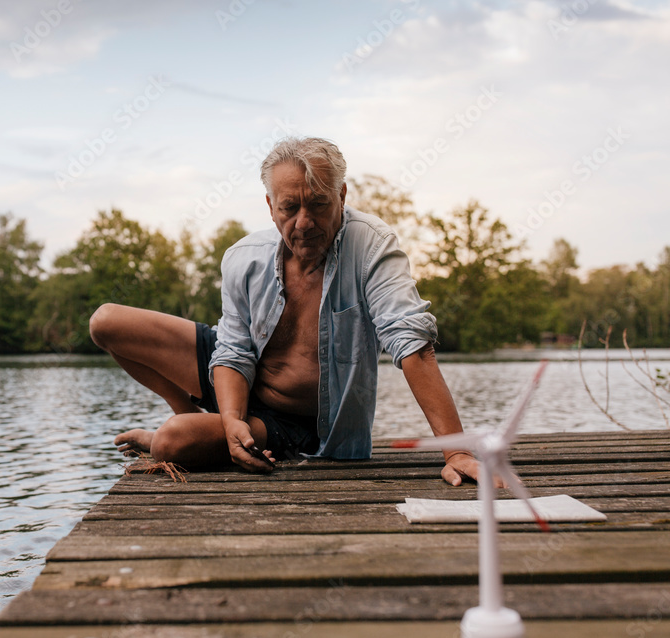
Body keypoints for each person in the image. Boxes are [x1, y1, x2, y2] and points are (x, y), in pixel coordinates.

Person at [89, 137, 479, 485]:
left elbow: (411, 342)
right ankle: (193, 414)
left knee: (171, 442)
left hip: (293, 421)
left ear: (342, 196)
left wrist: (456, 451)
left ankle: (182, 431)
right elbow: (233, 351)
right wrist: (229, 422)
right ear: (270, 206)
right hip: (236, 374)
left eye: (319, 204)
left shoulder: (372, 246)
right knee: (106, 322)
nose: (304, 223)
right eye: (289, 208)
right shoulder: (244, 258)